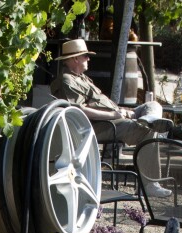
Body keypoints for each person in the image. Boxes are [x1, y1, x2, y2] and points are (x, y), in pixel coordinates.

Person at [50, 38, 173, 197]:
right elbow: (80, 111)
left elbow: (100, 102)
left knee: (154, 106)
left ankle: (150, 119)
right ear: (75, 58)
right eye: (86, 55)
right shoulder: (68, 80)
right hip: (100, 126)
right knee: (148, 131)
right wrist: (114, 114)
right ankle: (149, 184)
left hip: (115, 115)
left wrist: (120, 110)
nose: (89, 59)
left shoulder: (81, 77)